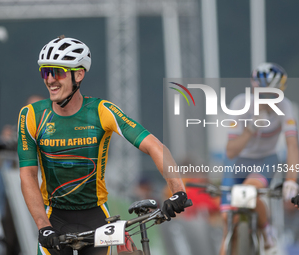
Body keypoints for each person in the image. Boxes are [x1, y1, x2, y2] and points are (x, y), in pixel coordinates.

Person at [17, 35, 188, 255]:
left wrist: (178, 191)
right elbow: (28, 175)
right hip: (54, 219)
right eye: (45, 72)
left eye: (57, 72)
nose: (50, 80)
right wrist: (43, 226)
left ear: (78, 74)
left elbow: (154, 146)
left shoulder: (101, 111)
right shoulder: (31, 115)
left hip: (96, 218)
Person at [219, 63, 299, 255]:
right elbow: (230, 151)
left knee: (248, 191)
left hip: (266, 159)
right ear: (254, 89)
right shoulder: (240, 104)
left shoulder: (285, 107)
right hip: (238, 161)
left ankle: (265, 231)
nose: (270, 100)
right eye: (265, 94)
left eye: (275, 95)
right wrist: (251, 129)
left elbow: (292, 146)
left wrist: (291, 180)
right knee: (227, 221)